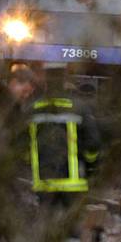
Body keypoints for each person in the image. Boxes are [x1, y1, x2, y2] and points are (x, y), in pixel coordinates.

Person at [28, 63, 101, 201]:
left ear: (45, 81)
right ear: (64, 79)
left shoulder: (33, 109)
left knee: (47, 220)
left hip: (43, 184)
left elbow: (22, 145)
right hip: (74, 185)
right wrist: (91, 168)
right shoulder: (80, 107)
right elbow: (93, 143)